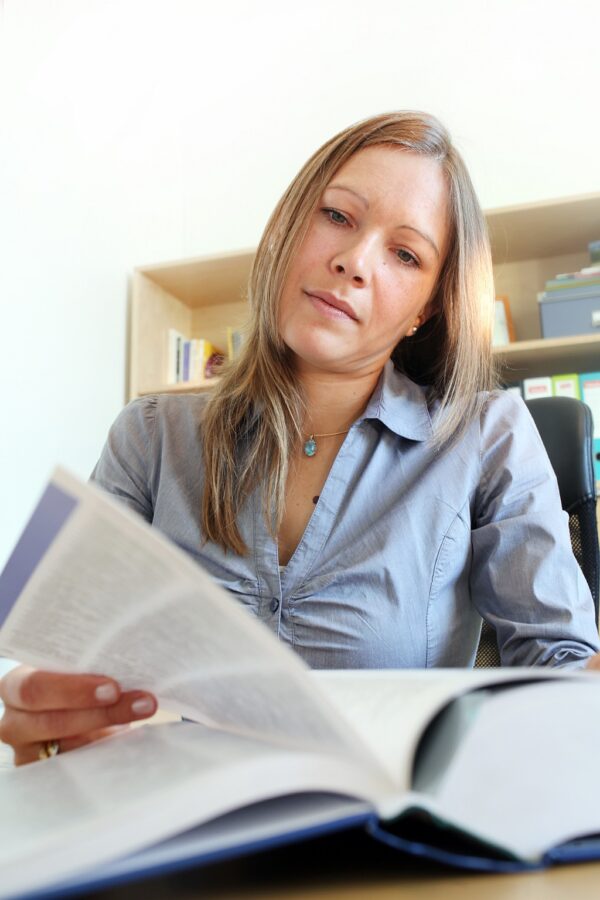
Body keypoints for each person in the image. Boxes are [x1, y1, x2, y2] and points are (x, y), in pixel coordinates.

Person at [1, 111, 599, 766]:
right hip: (170, 829)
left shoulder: (488, 437)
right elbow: (69, 675)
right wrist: (53, 720)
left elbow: (561, 670)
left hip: (390, 842)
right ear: (289, 228)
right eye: (337, 216)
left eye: (405, 254)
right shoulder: (149, 437)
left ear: (424, 308)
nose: (353, 261)